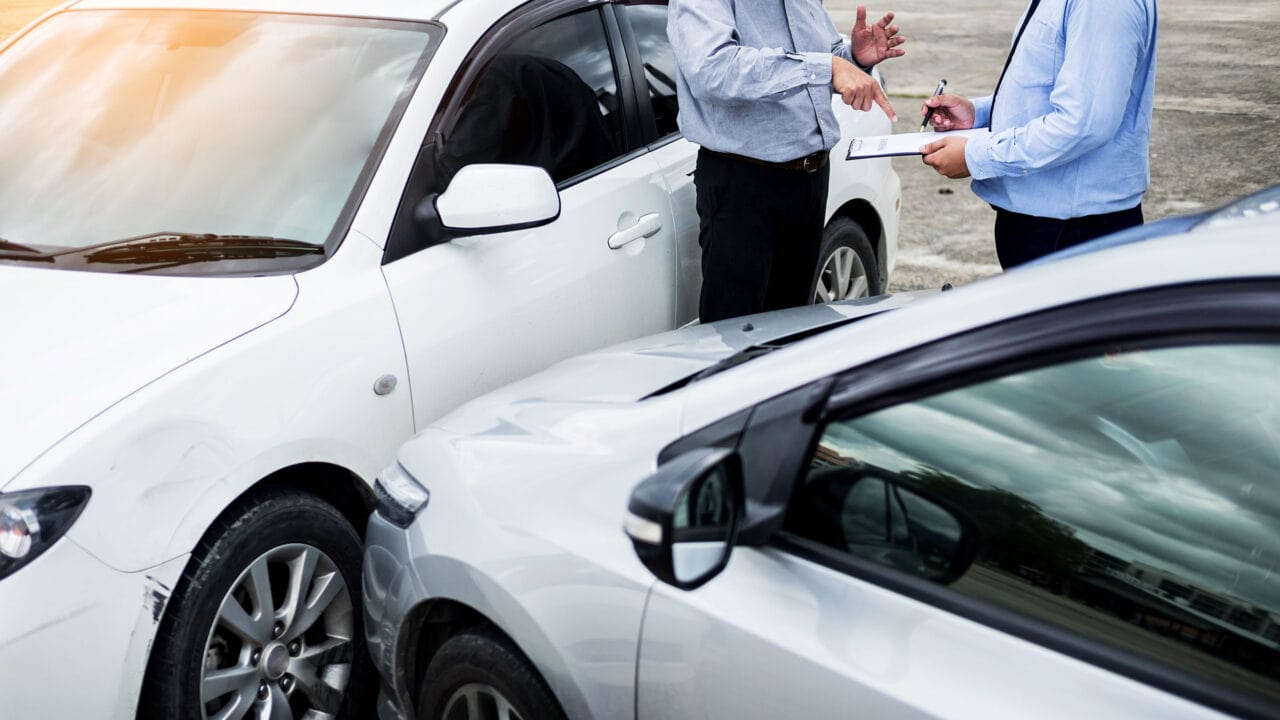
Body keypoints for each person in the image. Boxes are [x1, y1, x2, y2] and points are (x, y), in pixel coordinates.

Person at [669, 3, 904, 323]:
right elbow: (714, 70)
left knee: (792, 323)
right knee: (738, 335)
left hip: (810, 178)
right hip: (744, 184)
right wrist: (827, 67)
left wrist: (853, 57)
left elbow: (822, 52)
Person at [919, 0, 1158, 269]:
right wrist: (979, 113)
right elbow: (1047, 90)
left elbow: (1084, 124)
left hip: (1075, 232)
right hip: (1047, 224)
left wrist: (976, 155)